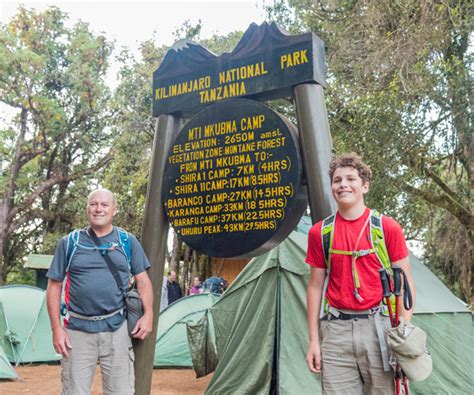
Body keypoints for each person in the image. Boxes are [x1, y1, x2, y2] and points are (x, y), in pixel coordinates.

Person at [305, 153, 416, 394]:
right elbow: (315, 286)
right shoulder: (319, 233)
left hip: (381, 328)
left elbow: (405, 285)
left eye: (350, 179)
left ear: (364, 186)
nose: (343, 184)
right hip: (335, 331)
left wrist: (403, 334)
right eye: (337, 180)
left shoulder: (387, 227)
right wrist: (314, 340)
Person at [46, 189, 153, 395]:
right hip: (76, 330)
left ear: (114, 210)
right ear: (87, 209)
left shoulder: (127, 241)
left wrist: (148, 315)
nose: (98, 209)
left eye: (104, 205)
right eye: (93, 204)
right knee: (73, 391)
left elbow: (143, 282)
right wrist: (56, 329)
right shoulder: (69, 243)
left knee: (120, 392)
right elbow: (54, 286)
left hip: (116, 328)